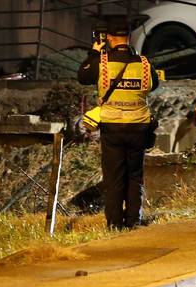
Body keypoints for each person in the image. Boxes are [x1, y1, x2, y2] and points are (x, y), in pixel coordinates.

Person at [77, 15, 159, 229]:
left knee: (114, 178)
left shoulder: (101, 63)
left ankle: (114, 223)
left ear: (109, 37)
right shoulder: (143, 64)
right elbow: (154, 84)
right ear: (129, 38)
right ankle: (134, 220)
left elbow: (82, 76)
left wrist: (94, 51)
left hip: (112, 127)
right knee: (134, 175)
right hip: (138, 127)